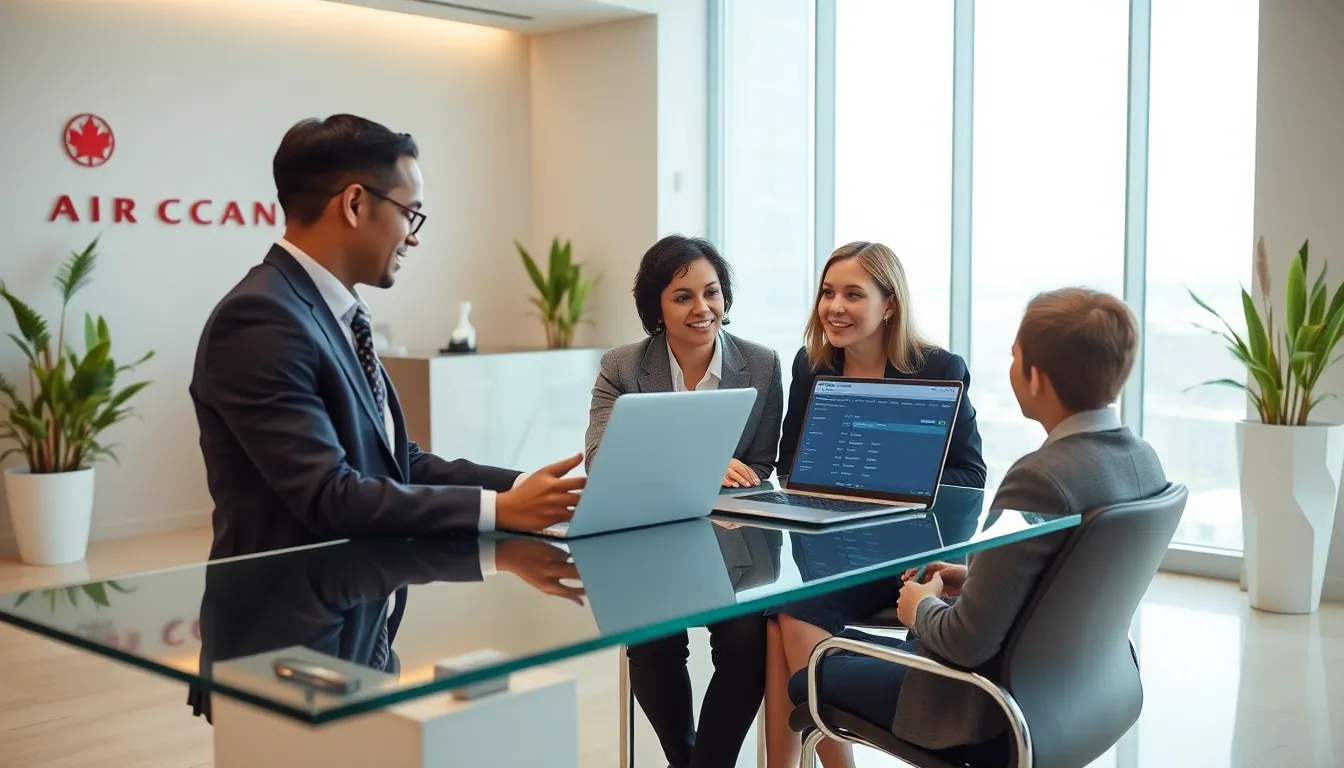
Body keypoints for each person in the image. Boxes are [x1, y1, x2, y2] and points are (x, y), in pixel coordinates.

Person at [787, 287, 1168, 766]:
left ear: (1035, 377)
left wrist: (920, 607)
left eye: (1014, 356)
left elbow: (965, 642)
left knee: (806, 667)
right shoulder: (1143, 462)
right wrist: (972, 580)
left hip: (971, 703)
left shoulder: (1040, 479)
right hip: (1075, 692)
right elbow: (1063, 582)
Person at [189, 113, 586, 565]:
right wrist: (499, 510)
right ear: (355, 203)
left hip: (353, 612)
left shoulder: (334, 313)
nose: (413, 239)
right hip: (284, 621)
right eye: (409, 213)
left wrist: (527, 489)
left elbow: (398, 462)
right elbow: (328, 496)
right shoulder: (260, 319)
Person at [764, 241, 987, 768]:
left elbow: (971, 475)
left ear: (889, 305)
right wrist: (826, 480)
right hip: (829, 549)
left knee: (785, 618)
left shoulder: (937, 366)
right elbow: (789, 461)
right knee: (777, 615)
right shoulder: (811, 365)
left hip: (906, 552)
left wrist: (893, 478)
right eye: (827, 292)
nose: (834, 306)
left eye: (852, 294)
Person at [585, 234, 783, 768]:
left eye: (712, 293)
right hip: (650, 541)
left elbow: (761, 465)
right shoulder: (623, 367)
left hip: (732, 542)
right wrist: (700, 465)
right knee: (652, 640)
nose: (703, 309)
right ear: (656, 307)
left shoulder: (762, 366)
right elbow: (601, 462)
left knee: (747, 640)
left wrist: (723, 477)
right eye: (683, 297)